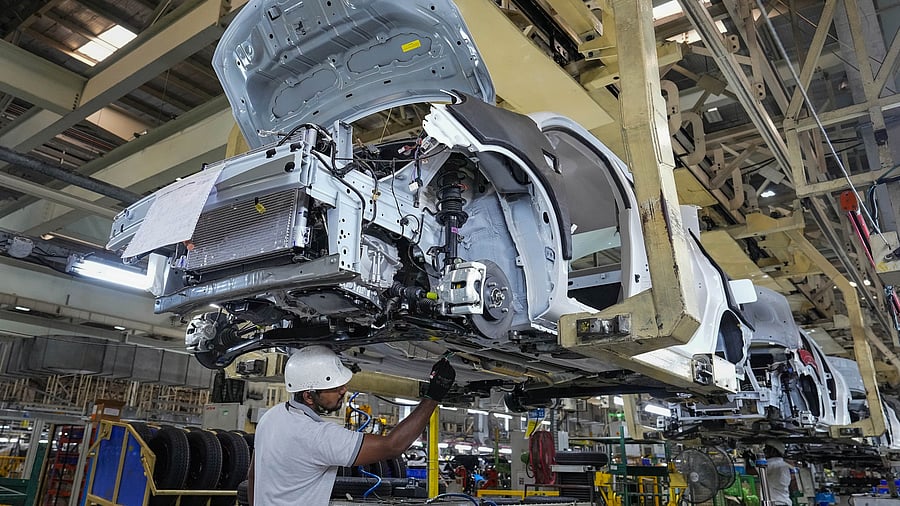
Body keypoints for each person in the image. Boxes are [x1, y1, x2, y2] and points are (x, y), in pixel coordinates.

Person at [248, 345, 456, 505]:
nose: (343, 390)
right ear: (309, 397)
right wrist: (434, 395)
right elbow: (393, 446)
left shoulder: (271, 418)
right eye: (334, 387)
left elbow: (253, 475)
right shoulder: (317, 436)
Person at [762, 439, 794, 506]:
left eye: (767, 449)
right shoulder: (784, 464)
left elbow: (751, 471)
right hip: (784, 502)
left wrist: (748, 460)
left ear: (774, 451)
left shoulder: (772, 463)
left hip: (776, 503)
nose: (764, 451)